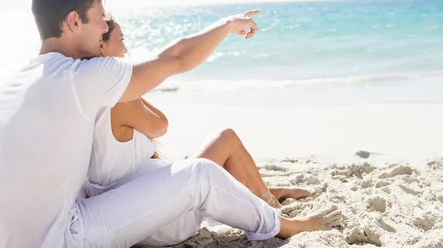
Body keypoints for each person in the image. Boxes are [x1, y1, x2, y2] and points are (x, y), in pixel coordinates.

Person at [0, 0, 343, 248]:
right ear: (74, 21)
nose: (105, 25)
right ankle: (287, 227)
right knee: (199, 175)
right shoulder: (79, 77)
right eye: (100, 17)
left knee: (171, 176)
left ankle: (254, 198)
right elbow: (177, 59)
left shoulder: (19, 81)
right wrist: (227, 25)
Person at [86, 16, 313, 215]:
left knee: (209, 163)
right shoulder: (118, 100)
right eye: (121, 39)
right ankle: (271, 207)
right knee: (225, 139)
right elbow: (161, 125)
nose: (126, 50)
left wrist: (128, 85)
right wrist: (130, 87)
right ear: (101, 47)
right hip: (157, 215)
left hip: (131, 203)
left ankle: (266, 191)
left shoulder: (83, 92)